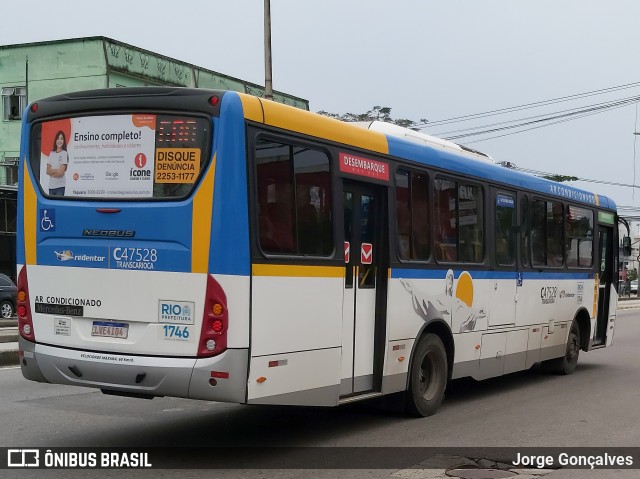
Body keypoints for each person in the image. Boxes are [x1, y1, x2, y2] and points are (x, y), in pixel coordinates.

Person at [46, 131, 68, 196]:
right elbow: (47, 171)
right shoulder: (51, 153)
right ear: (55, 140)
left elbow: (61, 173)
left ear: (64, 141)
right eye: (58, 138)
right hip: (51, 187)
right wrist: (56, 170)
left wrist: (52, 171)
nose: (59, 141)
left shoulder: (64, 153)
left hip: (60, 187)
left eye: (61, 138)